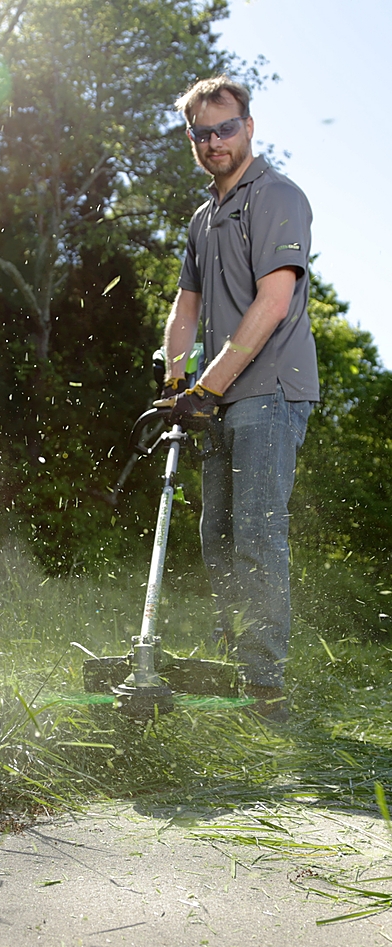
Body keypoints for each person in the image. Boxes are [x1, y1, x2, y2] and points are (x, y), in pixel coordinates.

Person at [155, 76, 319, 722]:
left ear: (249, 126)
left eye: (224, 128)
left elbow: (274, 301)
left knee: (254, 533)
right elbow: (185, 307)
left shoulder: (276, 196)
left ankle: (265, 685)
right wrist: (175, 381)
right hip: (217, 399)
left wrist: (208, 384)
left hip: (270, 391)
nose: (213, 141)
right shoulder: (203, 218)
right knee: (215, 536)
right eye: (201, 133)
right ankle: (235, 662)